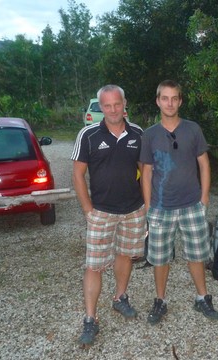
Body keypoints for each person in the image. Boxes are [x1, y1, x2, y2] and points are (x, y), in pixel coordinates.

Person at [140, 79, 218, 325]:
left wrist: (204, 197)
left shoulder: (193, 129)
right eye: (165, 98)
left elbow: (204, 164)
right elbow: (146, 172)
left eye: (174, 98)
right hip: (161, 207)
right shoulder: (150, 135)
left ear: (180, 101)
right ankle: (160, 301)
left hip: (191, 205)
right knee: (160, 257)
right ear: (158, 101)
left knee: (197, 254)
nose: (170, 103)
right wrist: (148, 206)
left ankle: (202, 298)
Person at [71, 85, 146, 347]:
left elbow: (145, 171)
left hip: (133, 210)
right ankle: (90, 319)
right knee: (94, 265)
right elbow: (78, 174)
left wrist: (147, 205)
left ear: (125, 104)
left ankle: (120, 297)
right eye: (107, 105)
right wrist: (87, 210)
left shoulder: (137, 133)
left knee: (125, 255)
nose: (113, 110)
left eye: (117, 104)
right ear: (100, 107)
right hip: (101, 212)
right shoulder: (88, 135)